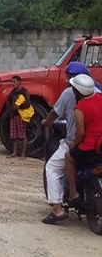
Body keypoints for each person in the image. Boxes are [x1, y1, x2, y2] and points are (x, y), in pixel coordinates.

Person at [41, 62, 90, 224]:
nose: (66, 81)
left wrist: (46, 122)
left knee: (52, 168)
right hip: (97, 143)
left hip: (77, 142)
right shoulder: (97, 92)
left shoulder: (70, 93)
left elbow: (54, 114)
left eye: (68, 77)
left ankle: (57, 210)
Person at [65, 74, 102, 209]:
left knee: (69, 157)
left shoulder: (80, 108)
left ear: (77, 91)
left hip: (89, 147)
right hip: (100, 145)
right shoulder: (100, 98)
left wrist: (74, 143)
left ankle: (73, 193)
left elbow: (80, 133)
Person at [5, 75, 34, 159]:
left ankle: (23, 154)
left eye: (14, 82)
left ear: (19, 82)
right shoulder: (13, 92)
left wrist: (19, 107)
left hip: (21, 116)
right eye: (12, 82)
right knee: (14, 135)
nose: (12, 84)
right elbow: (8, 101)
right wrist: (11, 107)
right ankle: (14, 152)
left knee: (22, 135)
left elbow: (28, 103)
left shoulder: (24, 91)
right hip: (13, 115)